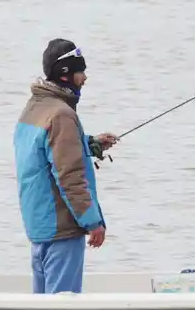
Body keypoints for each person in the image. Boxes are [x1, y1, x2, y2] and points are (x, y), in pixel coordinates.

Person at [12, 38, 120, 294]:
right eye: (81, 71)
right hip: (62, 231)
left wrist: (88, 144)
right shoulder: (62, 115)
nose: (85, 78)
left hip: (40, 228)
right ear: (65, 75)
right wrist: (93, 222)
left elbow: (46, 151)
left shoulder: (34, 108)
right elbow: (69, 177)